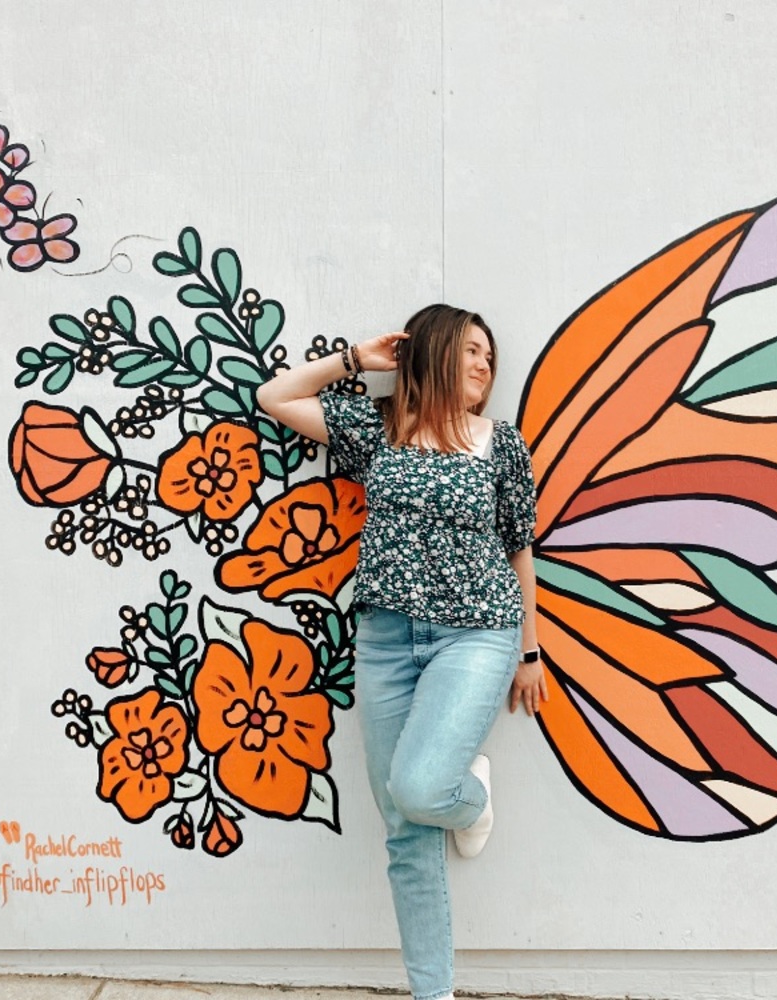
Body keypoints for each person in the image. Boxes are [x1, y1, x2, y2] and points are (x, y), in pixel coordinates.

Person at [256, 304, 546, 1000]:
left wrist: (529, 651)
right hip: (385, 640)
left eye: (490, 357)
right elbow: (275, 396)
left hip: (476, 632)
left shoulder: (501, 444)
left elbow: (519, 548)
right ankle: (432, 994)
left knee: (418, 790)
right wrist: (356, 360)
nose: (483, 365)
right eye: (470, 350)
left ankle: (471, 799)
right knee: (404, 829)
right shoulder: (378, 428)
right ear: (435, 351)